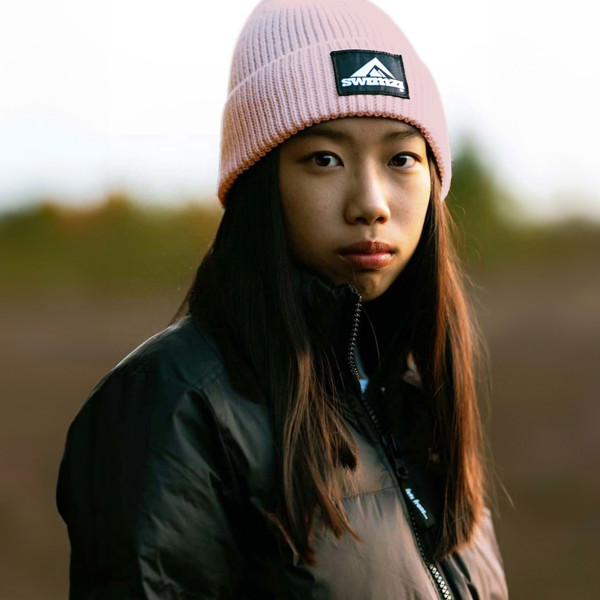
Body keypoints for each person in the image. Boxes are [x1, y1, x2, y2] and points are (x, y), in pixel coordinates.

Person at [56, 0, 509, 597]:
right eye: (324, 158)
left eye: (402, 157)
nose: (371, 201)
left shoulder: (419, 405)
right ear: (260, 182)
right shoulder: (175, 407)